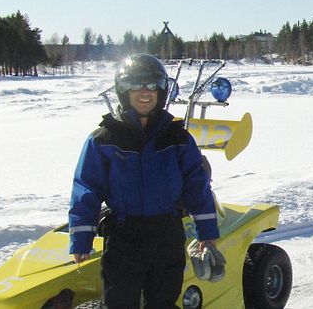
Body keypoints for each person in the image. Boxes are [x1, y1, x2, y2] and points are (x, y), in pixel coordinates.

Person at [69, 54, 219, 308]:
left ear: (161, 91)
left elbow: (196, 184)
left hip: (166, 233)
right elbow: (86, 189)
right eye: (136, 85)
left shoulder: (178, 137)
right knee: (120, 302)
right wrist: (81, 238)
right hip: (124, 236)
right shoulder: (104, 139)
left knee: (163, 301)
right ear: (123, 90)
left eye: (152, 85)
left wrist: (207, 229)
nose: (145, 92)